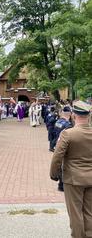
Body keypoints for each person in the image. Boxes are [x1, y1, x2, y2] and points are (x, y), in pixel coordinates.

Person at [50, 100, 92, 238]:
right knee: (89, 212)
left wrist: (54, 174)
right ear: (88, 115)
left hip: (73, 179)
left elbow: (57, 156)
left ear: (74, 115)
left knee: (75, 214)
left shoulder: (68, 134)